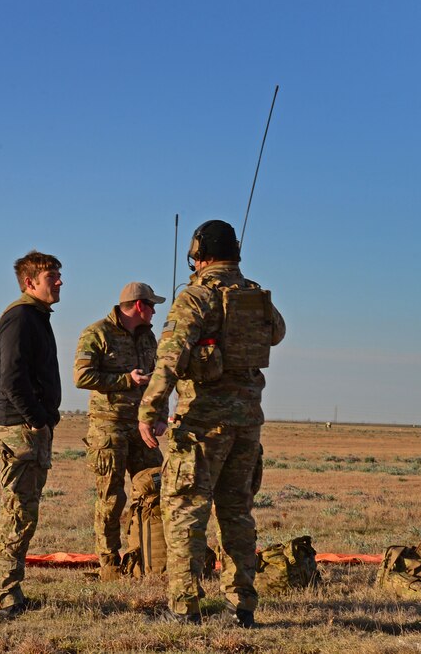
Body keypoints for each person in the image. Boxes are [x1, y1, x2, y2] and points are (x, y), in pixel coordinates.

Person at [138, 220, 285, 627]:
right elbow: (278, 333)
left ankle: (184, 607)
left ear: (198, 253)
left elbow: (168, 358)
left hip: (202, 424)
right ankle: (243, 607)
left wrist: (150, 408)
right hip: (247, 425)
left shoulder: (196, 296)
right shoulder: (256, 295)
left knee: (185, 510)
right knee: (237, 513)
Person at [0, 250, 63, 618]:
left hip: (28, 427)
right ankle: (4, 597)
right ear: (31, 282)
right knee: (16, 514)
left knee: (24, 513)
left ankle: (10, 592)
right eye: (53, 276)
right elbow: (12, 379)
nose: (60, 282)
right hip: (20, 430)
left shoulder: (35, 317)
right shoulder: (20, 318)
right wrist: (36, 420)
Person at [74, 282, 167, 580]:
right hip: (109, 428)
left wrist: (161, 415)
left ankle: (151, 556)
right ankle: (110, 563)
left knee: (156, 489)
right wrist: (126, 379)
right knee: (111, 499)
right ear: (140, 306)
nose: (155, 311)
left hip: (143, 428)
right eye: (152, 305)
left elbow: (158, 381)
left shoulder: (149, 338)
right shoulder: (97, 333)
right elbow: (82, 376)